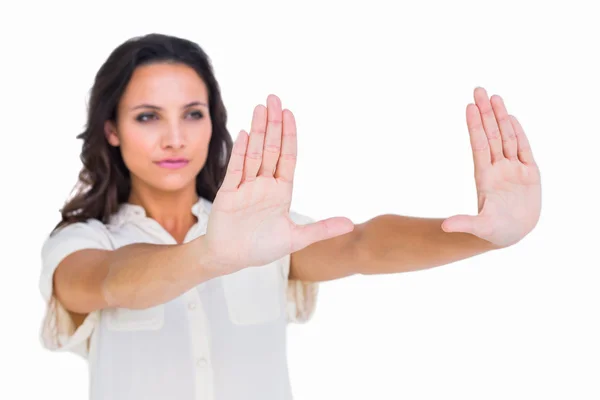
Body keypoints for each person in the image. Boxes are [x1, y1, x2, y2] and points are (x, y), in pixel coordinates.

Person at [38, 33, 542, 400]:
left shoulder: (260, 232)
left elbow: (361, 244)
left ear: (213, 121)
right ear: (111, 129)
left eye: (193, 113)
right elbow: (110, 282)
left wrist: (487, 236)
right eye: (148, 116)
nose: (175, 138)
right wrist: (209, 255)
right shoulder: (84, 243)